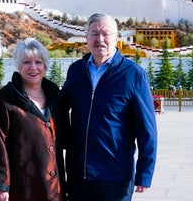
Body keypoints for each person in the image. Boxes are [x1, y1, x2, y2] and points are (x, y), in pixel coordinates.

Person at [60, 13, 157, 201]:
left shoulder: (133, 74)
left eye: (106, 34)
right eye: (94, 34)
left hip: (115, 176)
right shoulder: (76, 71)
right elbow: (59, 107)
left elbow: (147, 129)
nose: (100, 39)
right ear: (87, 38)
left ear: (116, 38)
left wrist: (145, 172)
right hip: (78, 174)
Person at [0, 38, 67, 201]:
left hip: (54, 186)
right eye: (27, 62)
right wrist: (0, 185)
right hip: (22, 186)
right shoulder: (5, 99)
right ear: (18, 65)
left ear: (45, 65)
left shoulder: (56, 97)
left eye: (38, 62)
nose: (33, 67)